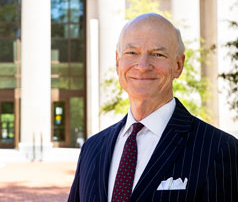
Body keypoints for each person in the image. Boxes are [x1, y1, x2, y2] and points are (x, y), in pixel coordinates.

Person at [68, 13, 238, 202]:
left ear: (179, 65)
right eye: (132, 53)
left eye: (157, 54)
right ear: (118, 62)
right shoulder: (92, 149)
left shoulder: (218, 148)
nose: (142, 66)